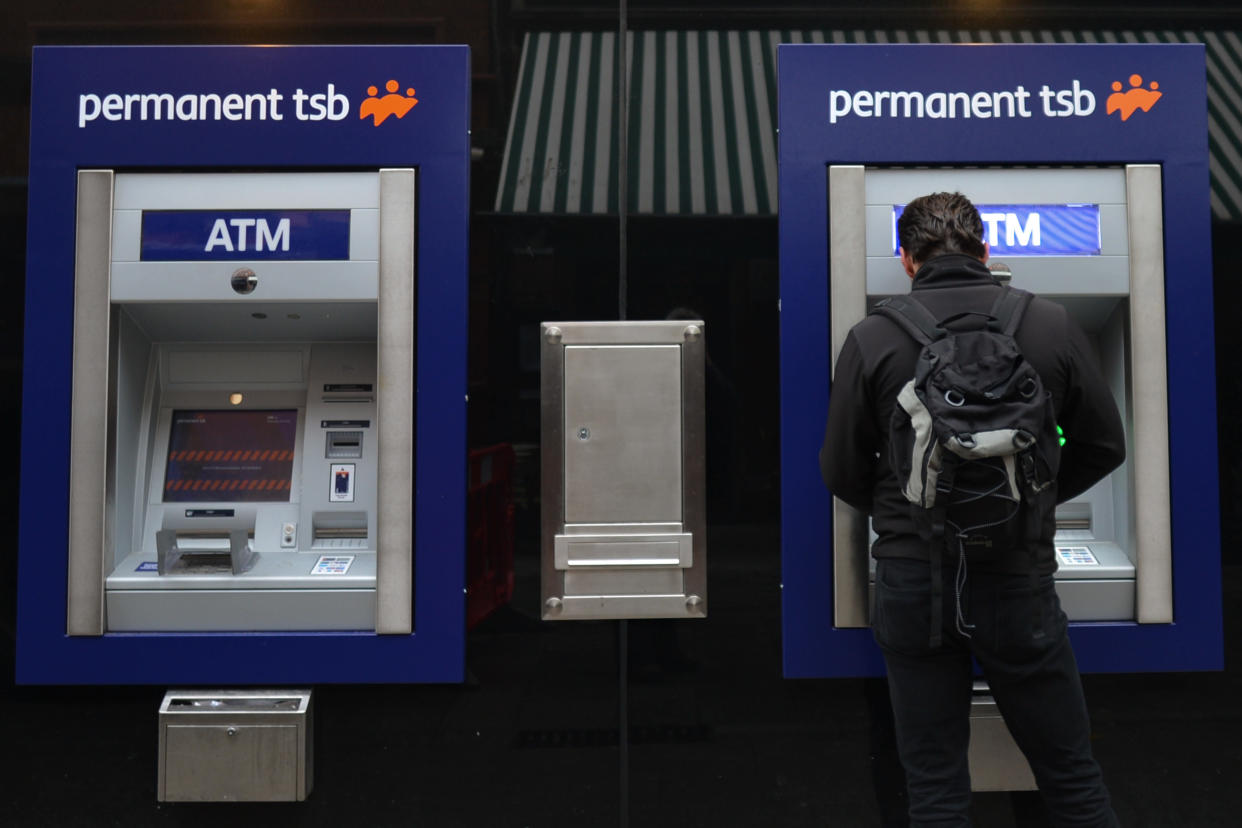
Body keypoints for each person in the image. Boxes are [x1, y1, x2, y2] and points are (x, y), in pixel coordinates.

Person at [820, 192, 1125, 827]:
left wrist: (912, 512)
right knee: (1070, 775)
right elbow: (1104, 447)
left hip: (915, 582)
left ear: (906, 260)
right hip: (1017, 579)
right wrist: (1032, 504)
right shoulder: (1054, 325)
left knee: (933, 788)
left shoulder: (872, 338)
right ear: (988, 252)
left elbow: (840, 470)